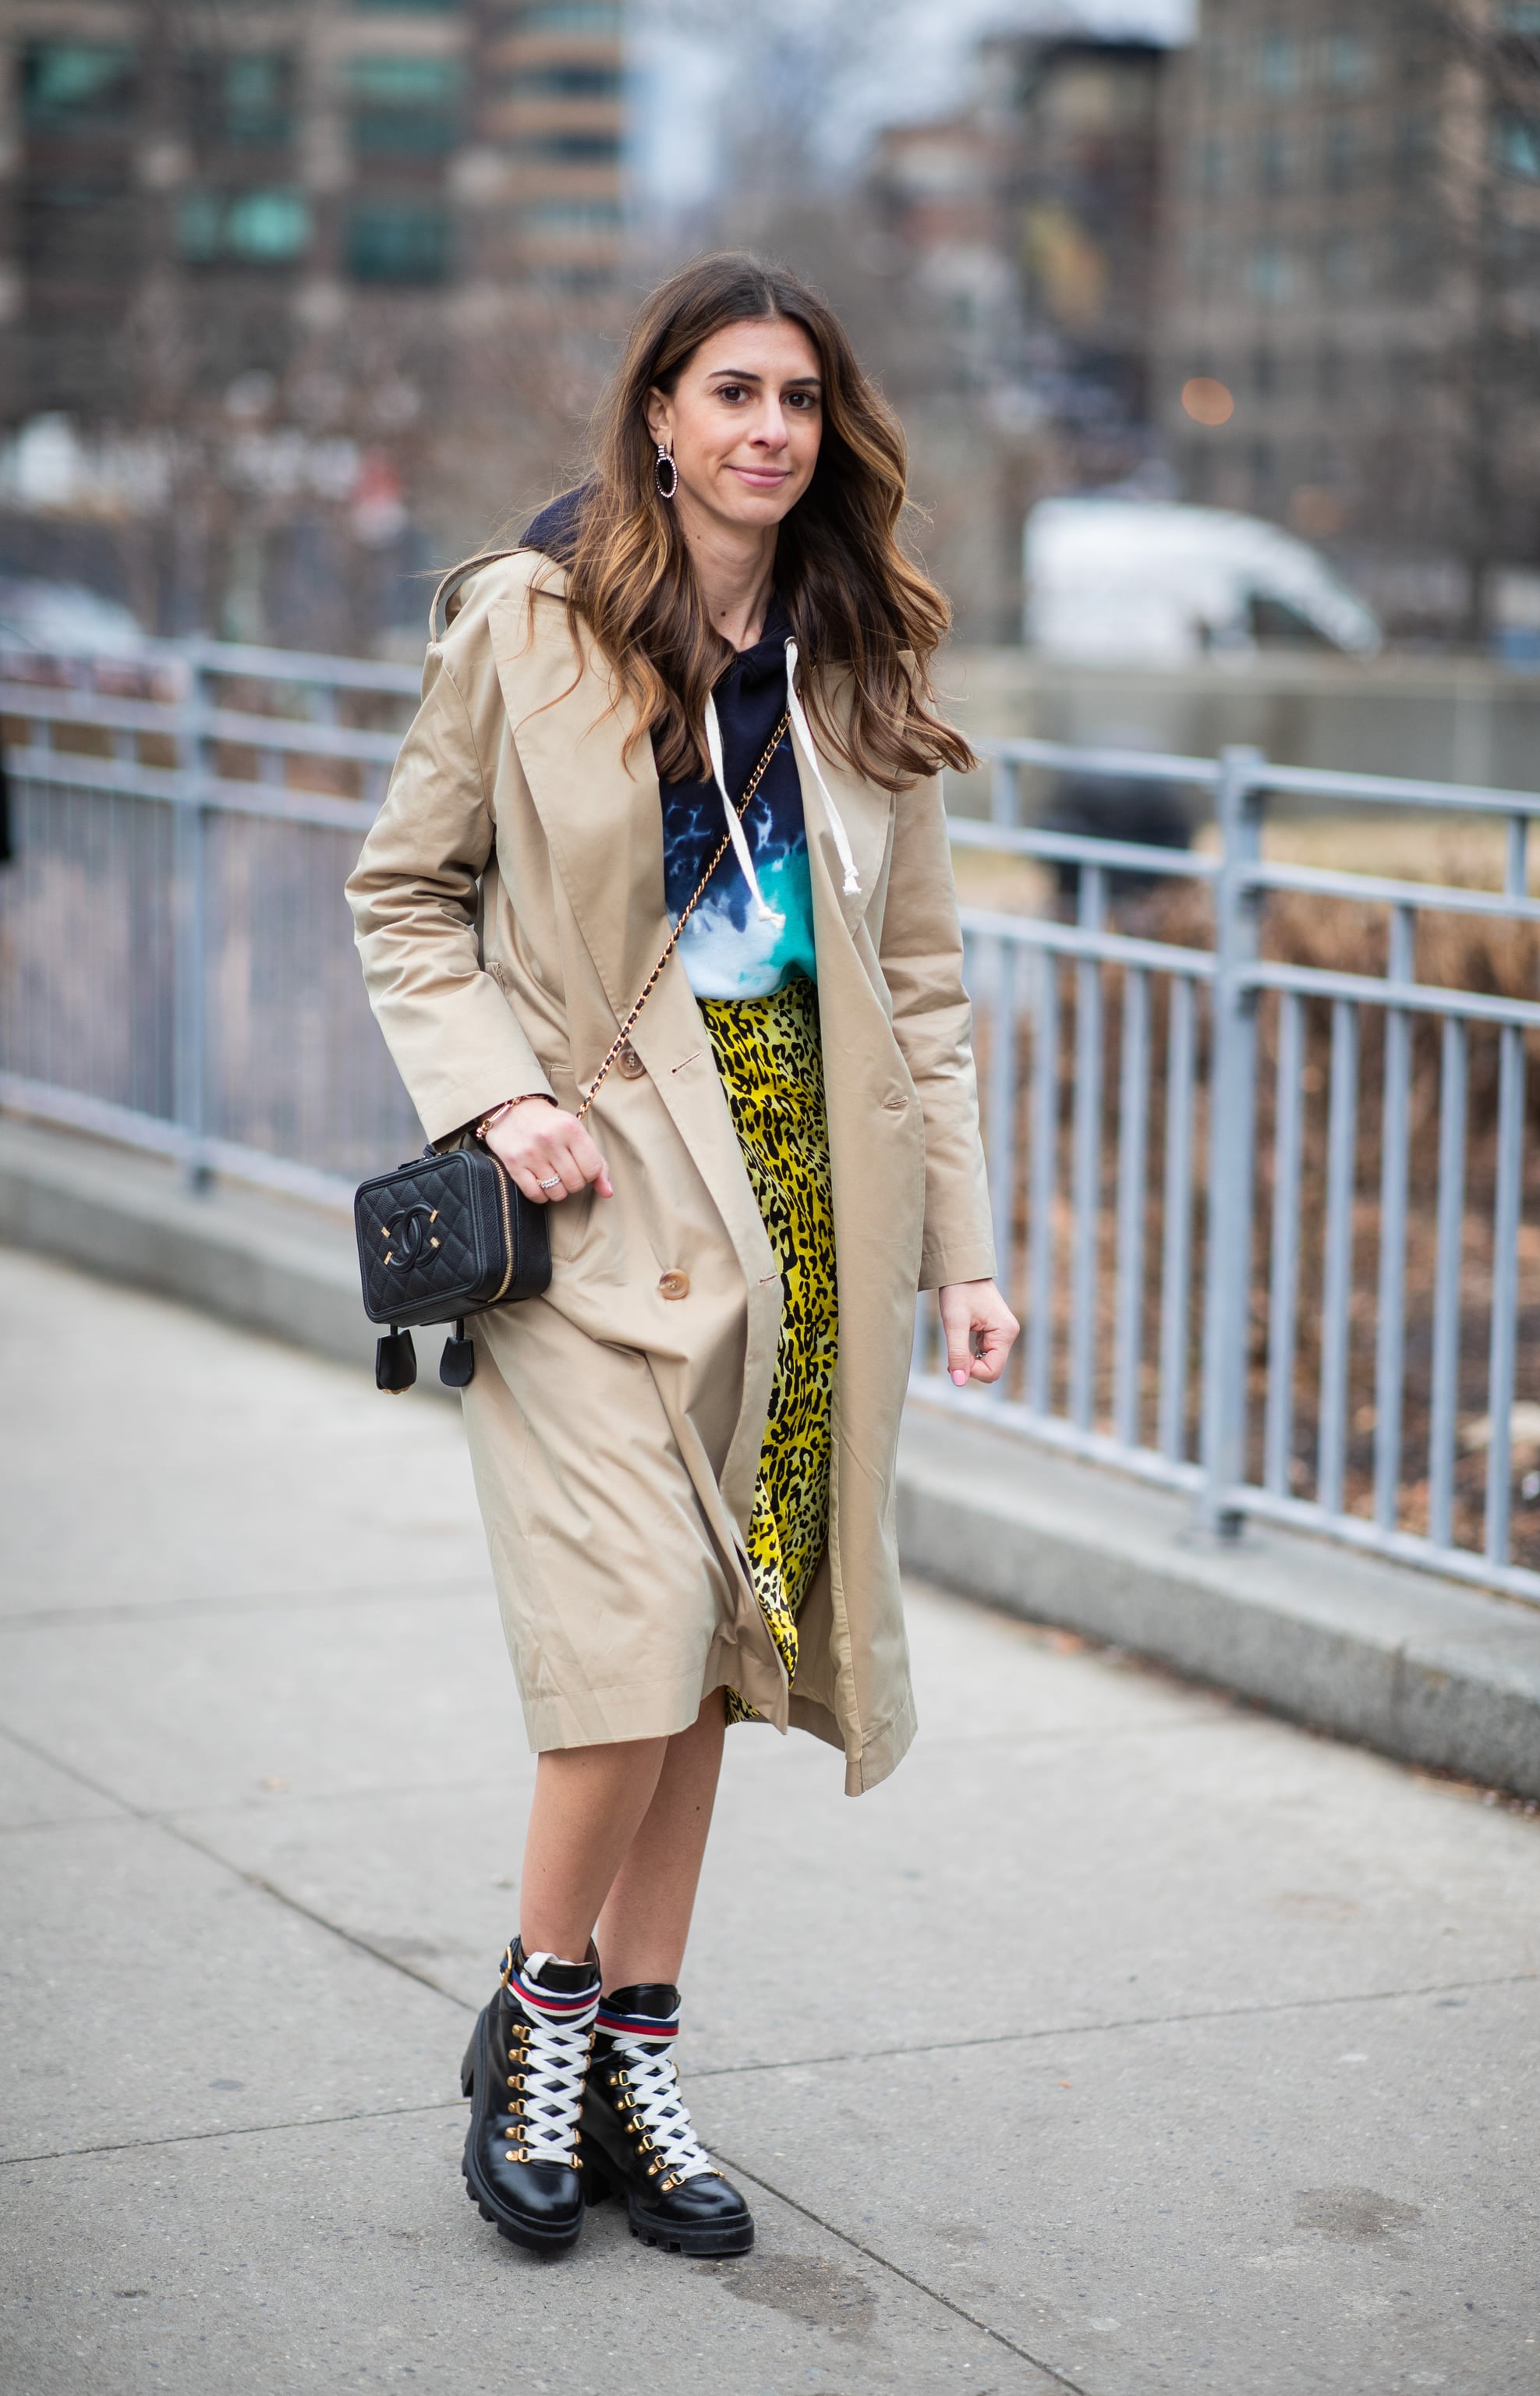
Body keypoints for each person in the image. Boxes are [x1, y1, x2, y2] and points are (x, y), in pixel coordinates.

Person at [347, 253, 1018, 2263]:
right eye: (730, 391)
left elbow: (921, 982)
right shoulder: (531, 622)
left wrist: (965, 1253)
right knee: (628, 1635)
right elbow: (406, 893)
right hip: (591, 1199)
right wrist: (489, 1100)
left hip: (805, 1194)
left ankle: (639, 2043)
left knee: (721, 1654)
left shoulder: (853, 652)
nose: (766, 430)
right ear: (657, 411)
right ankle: (540, 2013)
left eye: (798, 400)